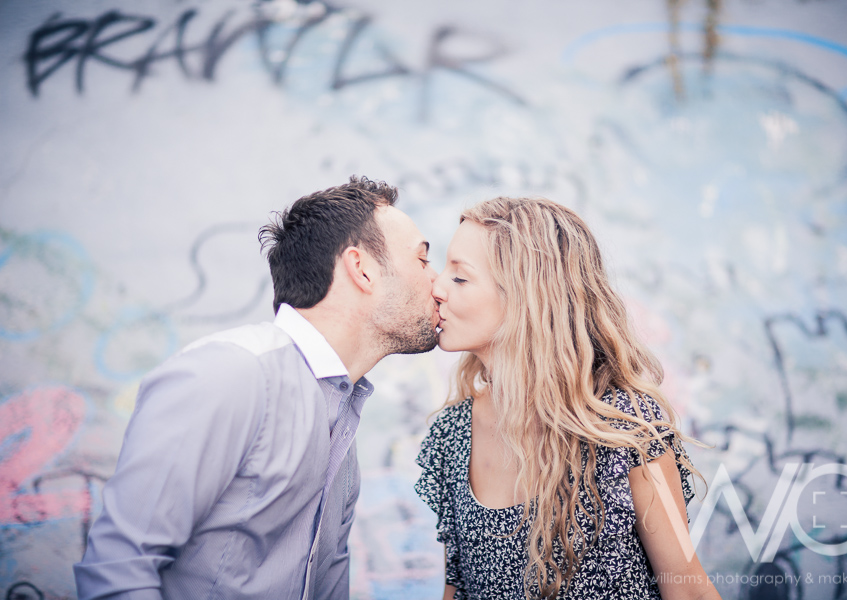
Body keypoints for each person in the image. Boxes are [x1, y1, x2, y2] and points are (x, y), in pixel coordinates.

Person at [74, 176, 440, 600]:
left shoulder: (341, 409)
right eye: (423, 259)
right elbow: (118, 569)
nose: (438, 282)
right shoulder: (228, 375)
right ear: (362, 269)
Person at [416, 197, 721, 600]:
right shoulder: (452, 435)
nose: (436, 286)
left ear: (526, 299)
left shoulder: (626, 431)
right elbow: (456, 590)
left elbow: (688, 590)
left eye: (460, 277)